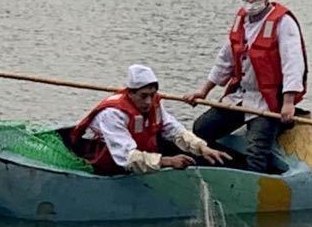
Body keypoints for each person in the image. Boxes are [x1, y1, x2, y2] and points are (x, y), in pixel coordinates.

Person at [184, 0, 308, 174]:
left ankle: (256, 182)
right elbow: (225, 59)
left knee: (257, 148)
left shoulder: (283, 22)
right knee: (202, 129)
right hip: (241, 96)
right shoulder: (241, 19)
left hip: (268, 101)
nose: (251, 1)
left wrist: (288, 102)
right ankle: (224, 168)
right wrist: (204, 91)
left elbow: (293, 64)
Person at [71, 65, 233, 176]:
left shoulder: (153, 105)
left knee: (185, 149)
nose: (149, 101)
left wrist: (202, 148)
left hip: (138, 152)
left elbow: (174, 130)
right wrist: (167, 161)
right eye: (143, 96)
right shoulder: (112, 114)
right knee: (168, 157)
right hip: (104, 158)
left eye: (152, 94)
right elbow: (126, 158)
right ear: (130, 93)